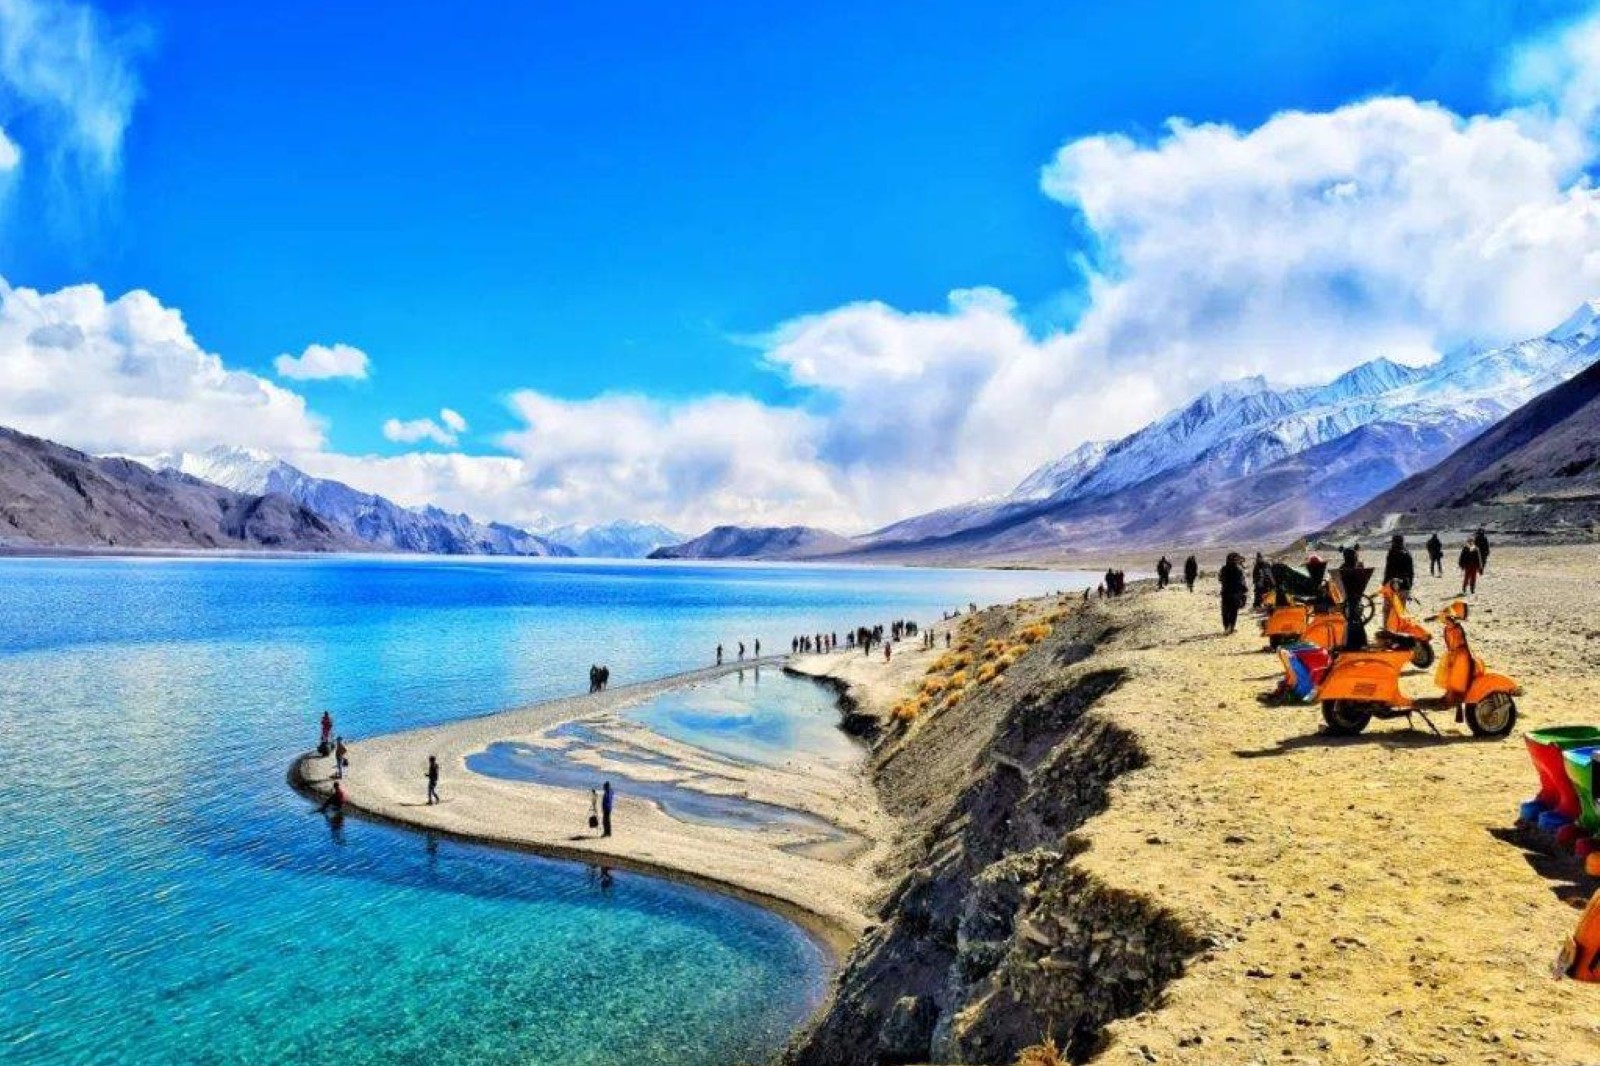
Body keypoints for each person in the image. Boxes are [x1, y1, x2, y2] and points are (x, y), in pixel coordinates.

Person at [1219, 553, 1248, 635]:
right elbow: (1241, 582)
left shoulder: (1224, 568)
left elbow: (1220, 579)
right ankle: (1231, 628)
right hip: (1235, 593)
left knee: (1225, 611)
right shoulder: (1238, 569)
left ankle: (1226, 627)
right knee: (1233, 611)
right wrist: (1244, 592)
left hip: (1225, 592)